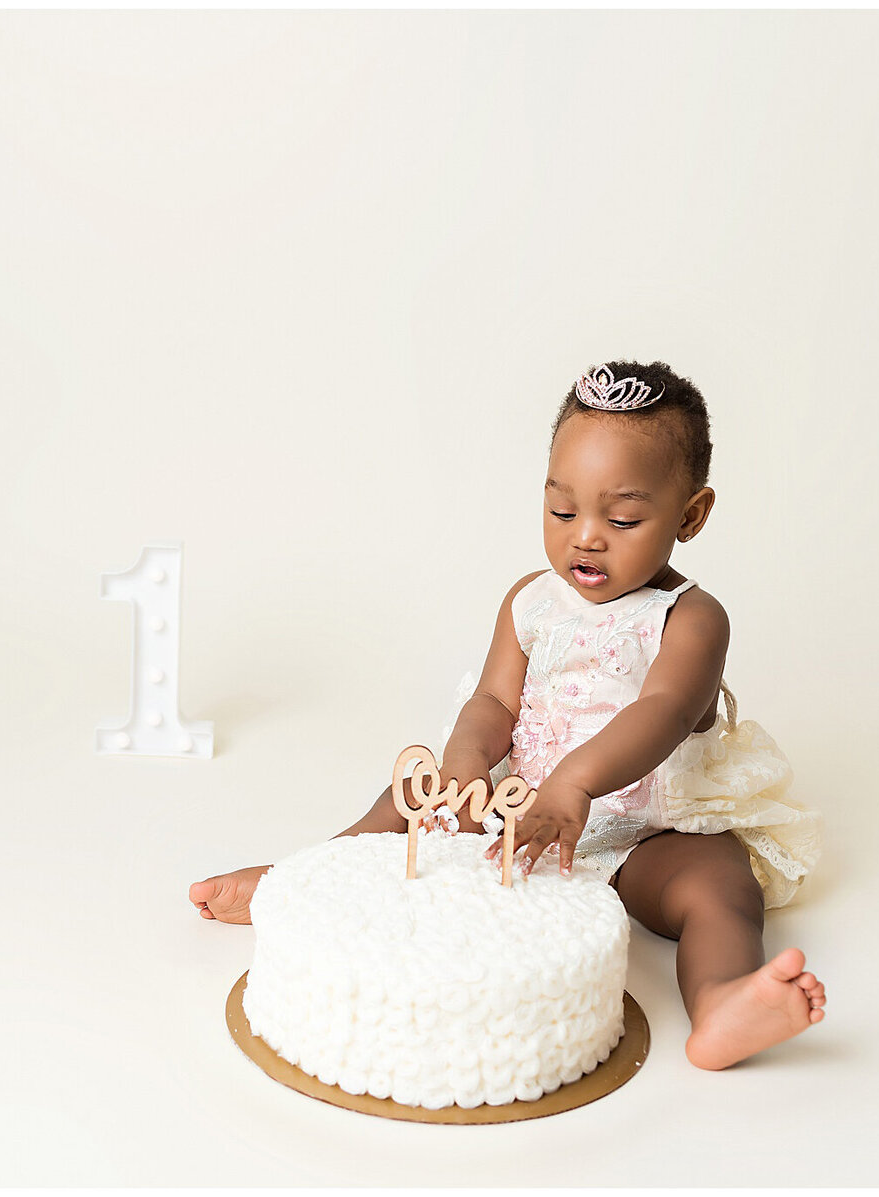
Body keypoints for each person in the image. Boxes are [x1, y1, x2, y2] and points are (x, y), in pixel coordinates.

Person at [190, 360, 825, 1071]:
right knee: (401, 802)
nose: (586, 536)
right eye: (562, 510)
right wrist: (465, 758)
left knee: (720, 886)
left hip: (647, 829)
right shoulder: (530, 600)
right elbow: (494, 700)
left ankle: (722, 1001)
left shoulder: (691, 618)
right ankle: (298, 882)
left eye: (622, 518)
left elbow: (666, 709)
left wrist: (576, 784)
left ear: (690, 514)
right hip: (521, 812)